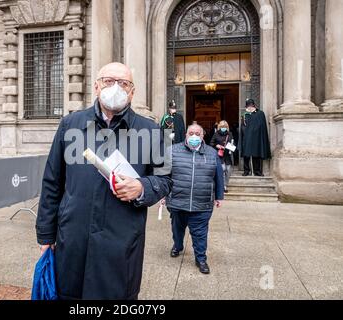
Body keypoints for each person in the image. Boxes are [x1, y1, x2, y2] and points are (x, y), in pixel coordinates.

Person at [36, 62, 172, 300]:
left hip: (121, 244)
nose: (116, 87)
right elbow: (52, 182)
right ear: (97, 87)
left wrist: (142, 187)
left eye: (124, 83)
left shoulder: (150, 130)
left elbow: (166, 179)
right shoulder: (70, 125)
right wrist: (46, 235)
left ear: (132, 92)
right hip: (73, 240)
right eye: (109, 81)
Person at [165, 124, 224, 274]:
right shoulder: (173, 151)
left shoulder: (212, 153)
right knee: (177, 229)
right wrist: (161, 195)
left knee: (200, 233)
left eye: (197, 133)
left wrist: (219, 196)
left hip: (202, 202)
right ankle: (177, 246)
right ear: (186, 134)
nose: (194, 136)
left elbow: (218, 176)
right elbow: (164, 176)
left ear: (203, 136)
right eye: (191, 133)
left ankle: (201, 259)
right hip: (178, 200)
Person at [240, 99, 271, 176]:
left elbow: (262, 126)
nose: (249, 107)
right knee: (246, 155)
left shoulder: (260, 114)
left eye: (251, 106)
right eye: (248, 106)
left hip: (257, 138)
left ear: (254, 106)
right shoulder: (245, 115)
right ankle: (246, 171)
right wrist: (245, 134)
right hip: (247, 138)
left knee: (256, 155)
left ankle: (257, 171)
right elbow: (243, 126)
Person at [210, 120, 234, 193]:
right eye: (222, 126)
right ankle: (223, 186)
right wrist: (217, 145)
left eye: (225, 127)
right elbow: (211, 143)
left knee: (228, 171)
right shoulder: (216, 134)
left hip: (228, 155)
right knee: (222, 170)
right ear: (219, 127)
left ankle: (226, 183)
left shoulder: (230, 134)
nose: (223, 128)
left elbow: (233, 142)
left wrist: (231, 147)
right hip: (220, 155)